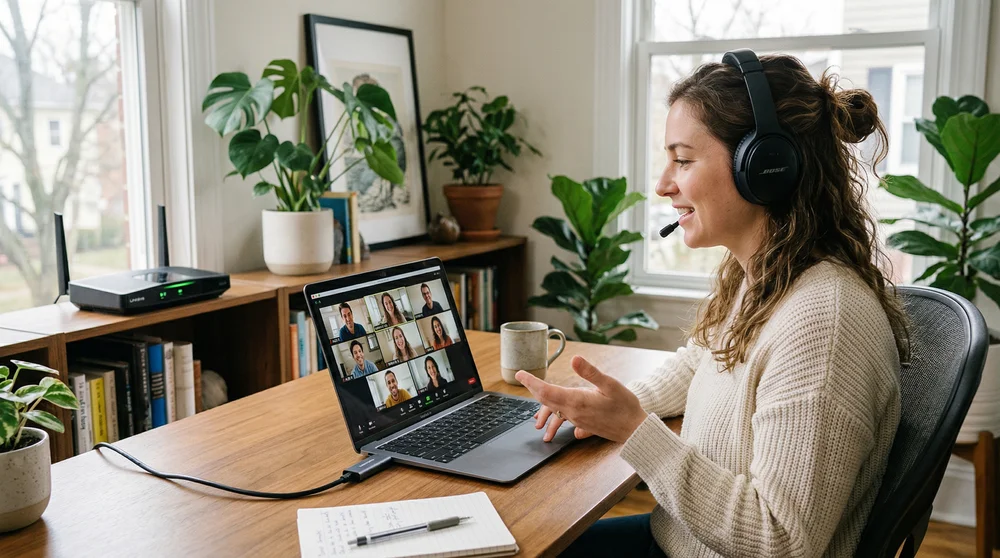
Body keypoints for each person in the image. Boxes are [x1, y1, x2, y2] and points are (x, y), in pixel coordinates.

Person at [520, 51, 909, 558]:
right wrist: (605, 409)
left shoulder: (823, 321)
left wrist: (636, 431)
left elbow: (783, 539)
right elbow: (706, 360)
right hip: (680, 541)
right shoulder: (771, 276)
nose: (663, 184)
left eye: (682, 159)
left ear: (763, 167)